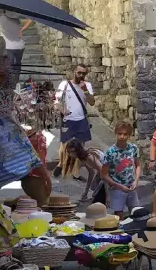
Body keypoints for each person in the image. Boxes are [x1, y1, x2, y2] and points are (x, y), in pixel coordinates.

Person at [57, 64, 97, 199]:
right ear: (74, 72)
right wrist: (62, 110)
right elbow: (56, 101)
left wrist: (85, 90)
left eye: (83, 73)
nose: (81, 76)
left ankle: (75, 172)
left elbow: (91, 102)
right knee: (65, 145)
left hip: (81, 120)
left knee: (80, 147)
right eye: (79, 73)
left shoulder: (87, 85)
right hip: (68, 119)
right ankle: (62, 166)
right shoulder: (65, 84)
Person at [101, 122, 142, 216]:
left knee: (136, 212)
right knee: (119, 214)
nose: (122, 136)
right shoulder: (110, 152)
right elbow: (104, 174)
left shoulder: (133, 148)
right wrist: (118, 186)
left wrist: (136, 180)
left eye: (125, 134)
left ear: (129, 135)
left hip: (131, 185)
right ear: (116, 133)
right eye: (120, 133)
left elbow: (138, 165)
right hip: (117, 187)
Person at [65, 139, 107, 206]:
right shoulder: (82, 157)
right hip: (103, 171)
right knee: (93, 187)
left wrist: (106, 192)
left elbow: (103, 171)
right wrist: (86, 191)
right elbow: (91, 173)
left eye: (72, 152)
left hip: (109, 171)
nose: (71, 154)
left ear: (78, 150)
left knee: (97, 195)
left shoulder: (89, 157)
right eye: (69, 152)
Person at [0, 12, 32, 78]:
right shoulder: (13, 14)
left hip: (8, 46)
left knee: (10, 66)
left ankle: (12, 83)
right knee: (17, 65)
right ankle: (16, 81)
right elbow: (31, 19)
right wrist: (21, 30)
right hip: (19, 45)